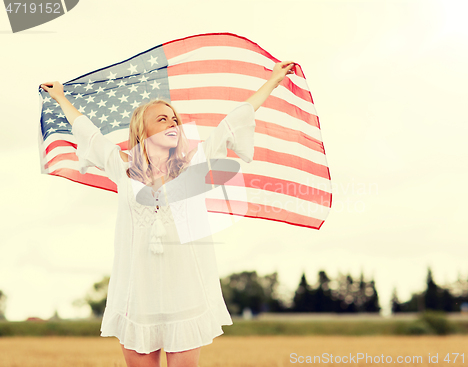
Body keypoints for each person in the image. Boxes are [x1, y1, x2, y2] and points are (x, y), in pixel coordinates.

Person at [40, 60, 295, 367]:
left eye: (175, 119)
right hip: (137, 299)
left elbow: (234, 121)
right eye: (162, 119)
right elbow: (89, 134)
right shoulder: (122, 169)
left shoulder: (194, 165)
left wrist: (272, 82)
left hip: (184, 297)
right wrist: (61, 98)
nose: (173, 124)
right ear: (142, 128)